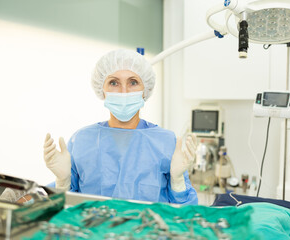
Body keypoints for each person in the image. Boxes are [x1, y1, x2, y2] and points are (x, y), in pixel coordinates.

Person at [43, 49, 198, 205]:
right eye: (114, 83)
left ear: (145, 91)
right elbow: (66, 206)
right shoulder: (83, 140)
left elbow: (183, 212)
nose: (124, 91)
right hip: (96, 228)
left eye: (133, 82)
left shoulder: (165, 141)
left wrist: (177, 182)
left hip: (147, 229)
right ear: (102, 90)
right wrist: (62, 183)